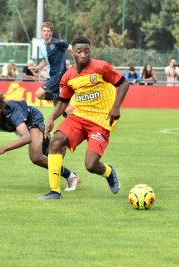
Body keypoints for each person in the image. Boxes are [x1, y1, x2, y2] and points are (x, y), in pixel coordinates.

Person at [39, 35, 130, 200]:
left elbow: (124, 83)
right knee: (56, 141)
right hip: (79, 116)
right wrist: (52, 118)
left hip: (101, 119)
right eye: (79, 51)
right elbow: (63, 102)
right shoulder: (68, 76)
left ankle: (108, 172)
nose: (83, 55)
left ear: (90, 51)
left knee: (90, 165)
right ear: (72, 52)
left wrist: (116, 107)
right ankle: (54, 191)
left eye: (86, 51)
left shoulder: (101, 67)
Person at [30, 22, 71, 103]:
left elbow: (72, 48)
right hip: (50, 75)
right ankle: (65, 110)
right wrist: (36, 67)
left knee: (39, 94)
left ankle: (64, 97)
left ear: (51, 32)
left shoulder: (58, 43)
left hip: (58, 75)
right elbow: (45, 61)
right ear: (41, 32)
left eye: (48, 31)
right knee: (56, 103)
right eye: (44, 30)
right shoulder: (42, 46)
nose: (46, 33)